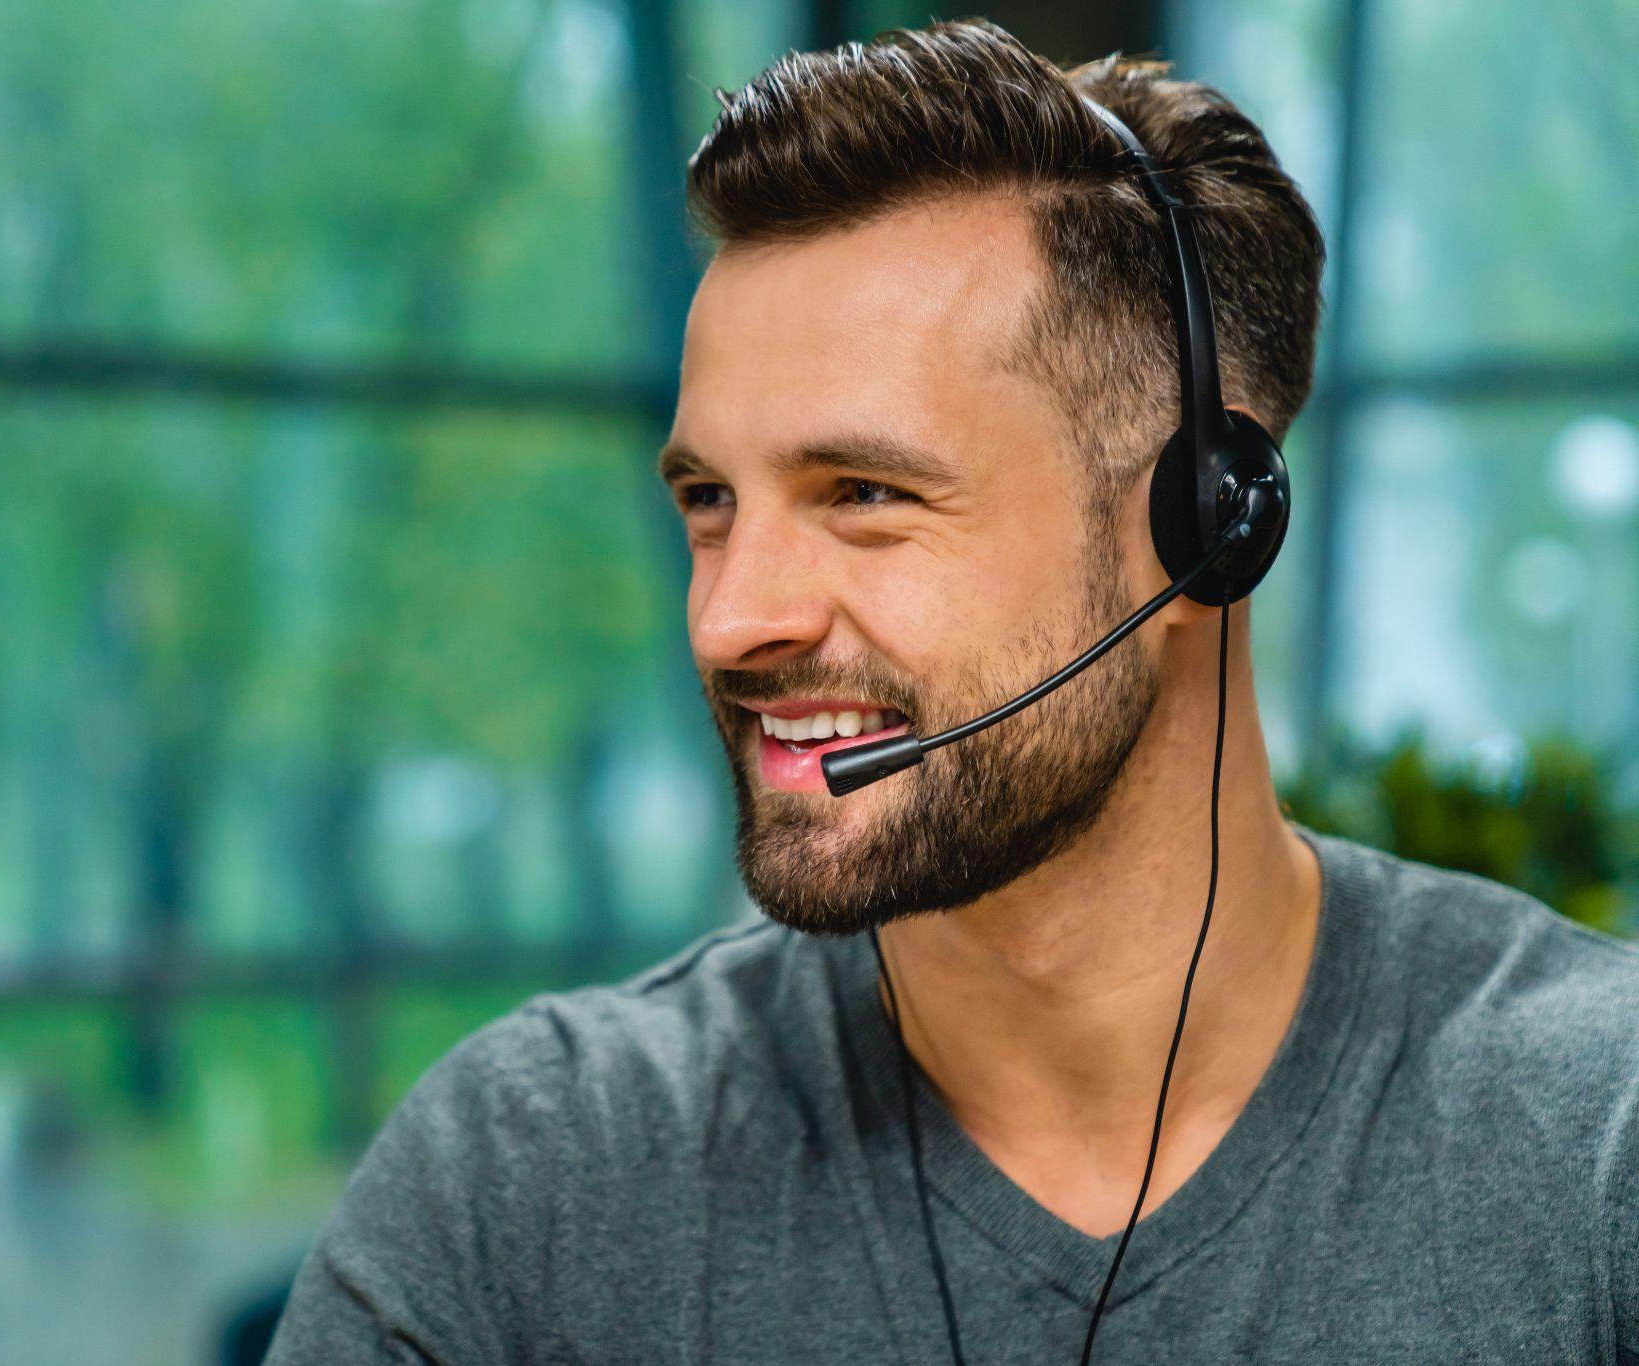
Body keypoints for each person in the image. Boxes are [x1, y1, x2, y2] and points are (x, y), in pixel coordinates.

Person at [269, 19, 1639, 1363]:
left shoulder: (1593, 1148)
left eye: (864, 492)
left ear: (1206, 527)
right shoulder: (527, 1188)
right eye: (709, 501)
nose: (733, 620)